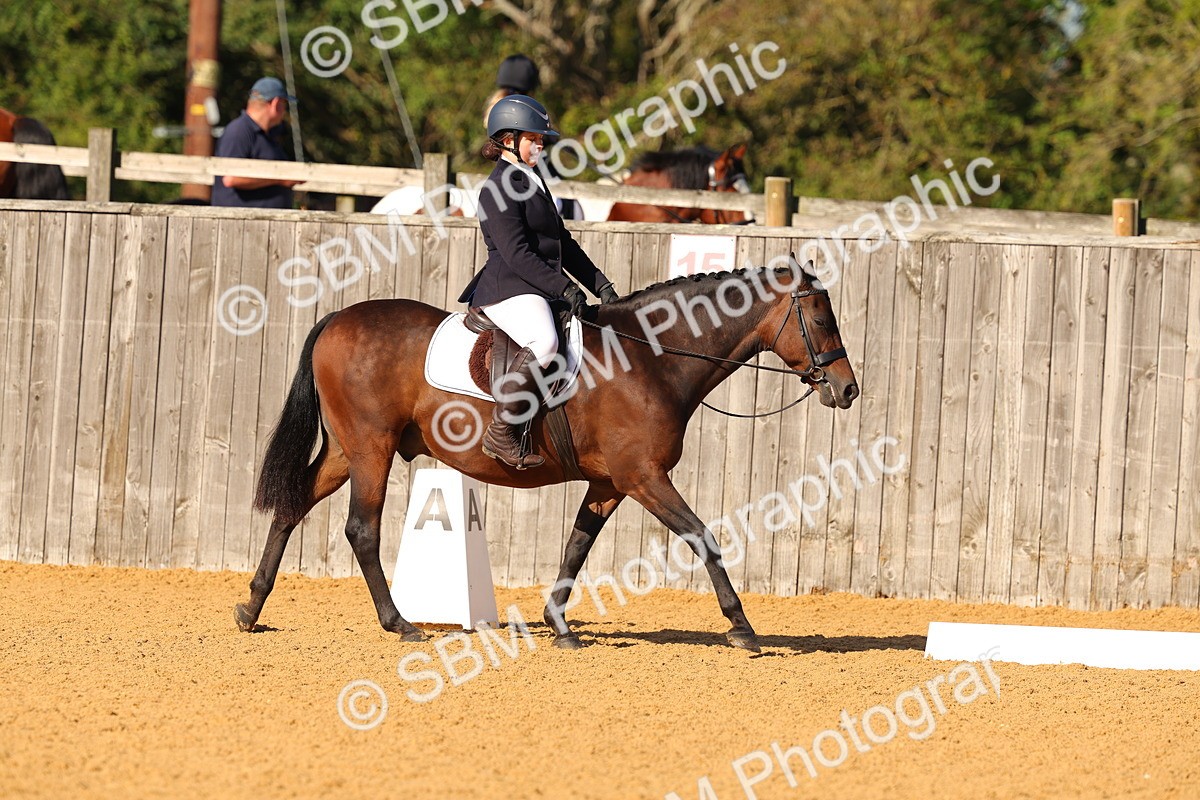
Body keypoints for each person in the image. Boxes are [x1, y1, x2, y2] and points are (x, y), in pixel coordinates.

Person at [458, 95, 619, 469]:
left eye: (542, 140)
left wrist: (601, 285)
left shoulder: (532, 178)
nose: (541, 145)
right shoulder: (497, 188)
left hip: (535, 284)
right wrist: (562, 287)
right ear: (509, 139)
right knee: (545, 342)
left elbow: (562, 241)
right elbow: (517, 253)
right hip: (509, 287)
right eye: (535, 138)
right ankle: (501, 432)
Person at [211, 77, 300, 208]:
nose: (284, 111)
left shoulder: (268, 135)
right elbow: (231, 178)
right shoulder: (239, 131)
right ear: (275, 104)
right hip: (240, 224)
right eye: (284, 104)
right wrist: (281, 179)